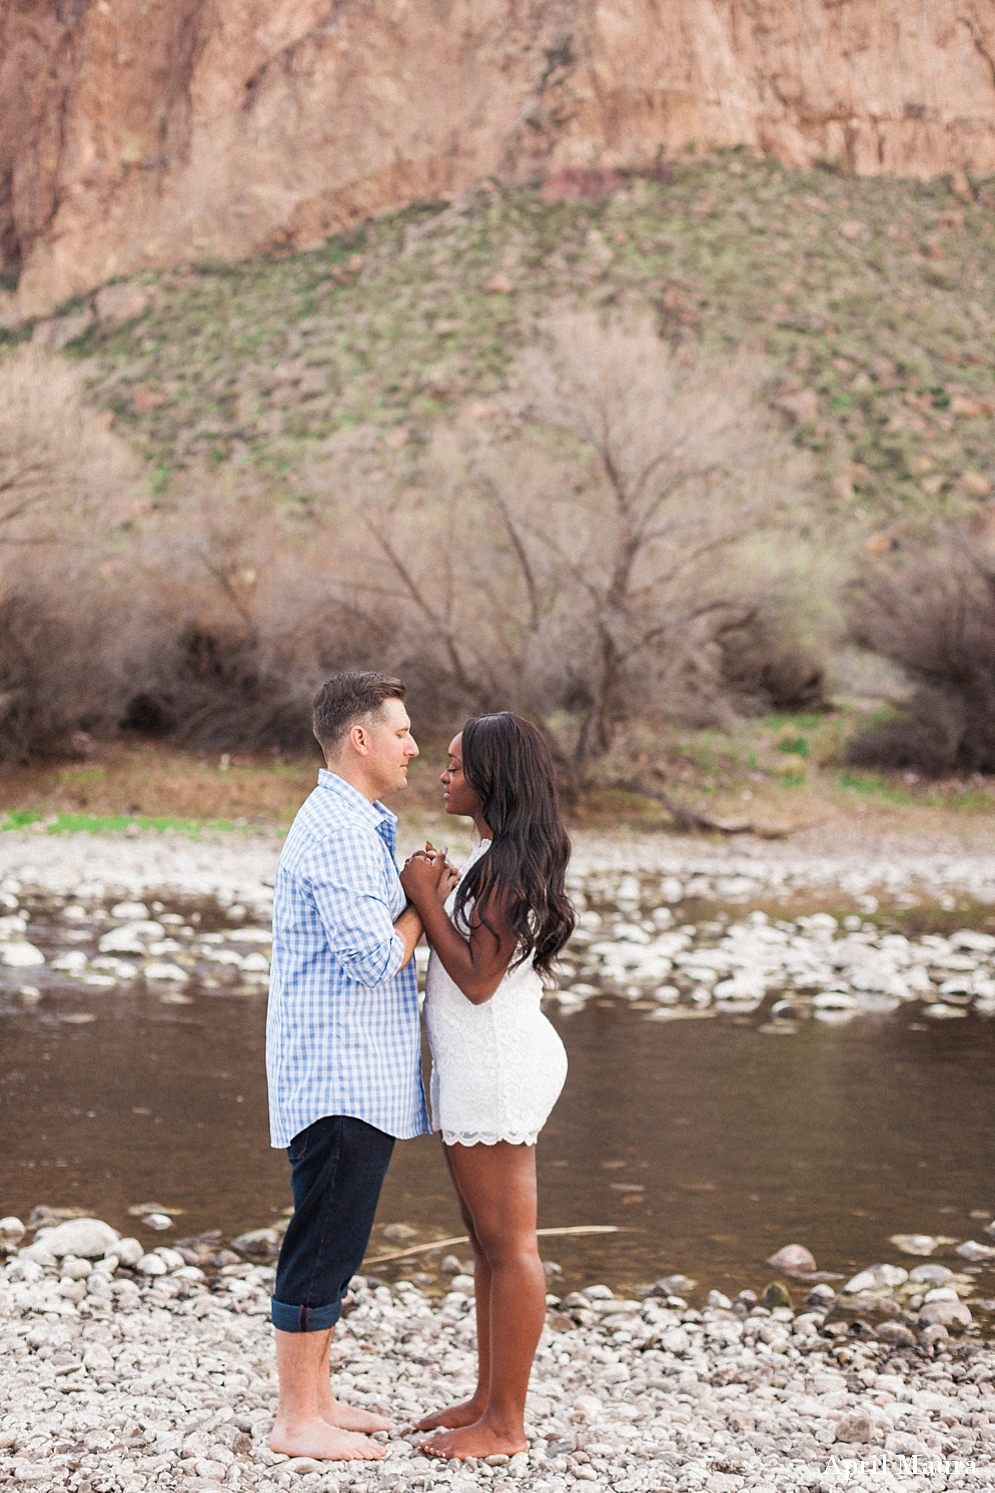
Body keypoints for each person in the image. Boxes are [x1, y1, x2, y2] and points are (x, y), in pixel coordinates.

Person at [265, 671, 455, 1461]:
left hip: (355, 1074)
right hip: (337, 1075)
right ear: (360, 739)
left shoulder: (358, 819)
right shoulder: (340, 830)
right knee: (322, 1243)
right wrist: (422, 900)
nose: (415, 745)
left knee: (336, 1241)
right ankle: (293, 1420)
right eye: (403, 731)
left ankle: (318, 1400)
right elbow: (373, 957)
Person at [399, 712, 575, 1461]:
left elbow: (475, 978)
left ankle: (506, 1424)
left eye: (455, 765)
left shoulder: (505, 862)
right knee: (486, 1243)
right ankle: (485, 1396)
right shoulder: (493, 855)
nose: (443, 776)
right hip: (476, 1063)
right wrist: (441, 888)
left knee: (510, 1245)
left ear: (491, 777)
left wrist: (423, 895)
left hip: (498, 1062)